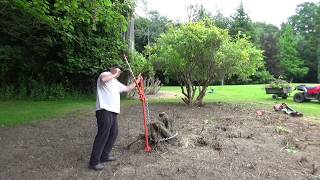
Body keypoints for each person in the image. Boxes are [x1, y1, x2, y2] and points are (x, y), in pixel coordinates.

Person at [89, 65, 141, 171]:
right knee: (103, 135)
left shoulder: (115, 83)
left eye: (119, 71)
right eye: (117, 69)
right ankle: (94, 162)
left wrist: (138, 81)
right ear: (112, 69)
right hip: (104, 110)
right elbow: (104, 80)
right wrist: (114, 74)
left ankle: (104, 155)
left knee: (113, 133)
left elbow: (127, 89)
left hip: (113, 112)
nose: (119, 72)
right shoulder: (105, 74)